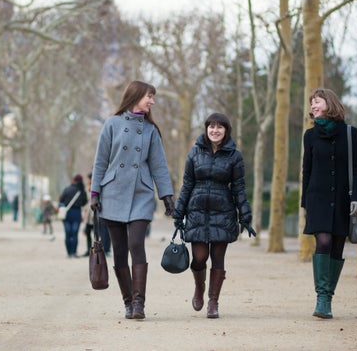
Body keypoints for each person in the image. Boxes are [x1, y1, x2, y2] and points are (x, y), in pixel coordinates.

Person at [90, 80, 175, 320]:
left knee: (136, 244)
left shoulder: (150, 130)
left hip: (141, 194)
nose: (152, 101)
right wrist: (95, 193)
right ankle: (128, 303)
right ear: (135, 96)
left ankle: (139, 304)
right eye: (149, 96)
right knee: (118, 251)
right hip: (113, 192)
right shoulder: (112, 124)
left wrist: (167, 196)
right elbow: (100, 161)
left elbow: (159, 165)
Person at [173, 112, 255, 319]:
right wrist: (178, 212)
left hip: (223, 212)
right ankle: (199, 288)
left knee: (218, 259)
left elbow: (239, 187)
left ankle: (213, 302)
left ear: (226, 130)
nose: (215, 130)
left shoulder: (235, 156)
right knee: (199, 257)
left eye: (220, 127)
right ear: (206, 128)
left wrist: (245, 214)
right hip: (197, 210)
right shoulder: (194, 153)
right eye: (211, 126)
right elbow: (187, 184)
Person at [301, 88, 357, 319]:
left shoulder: (350, 133)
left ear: (329, 102)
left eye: (316, 102)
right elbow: (306, 170)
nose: (313, 107)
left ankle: (328, 298)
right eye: (311, 104)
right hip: (317, 198)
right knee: (324, 241)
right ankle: (321, 297)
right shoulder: (310, 136)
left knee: (337, 246)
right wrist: (304, 202)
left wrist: (356, 198)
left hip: (342, 199)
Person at [59, 174, 88, 258]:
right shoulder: (81, 191)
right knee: (75, 234)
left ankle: (68, 253)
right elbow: (84, 202)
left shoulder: (67, 189)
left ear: (73, 180)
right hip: (76, 213)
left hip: (67, 214)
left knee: (68, 233)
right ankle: (74, 252)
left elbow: (61, 200)